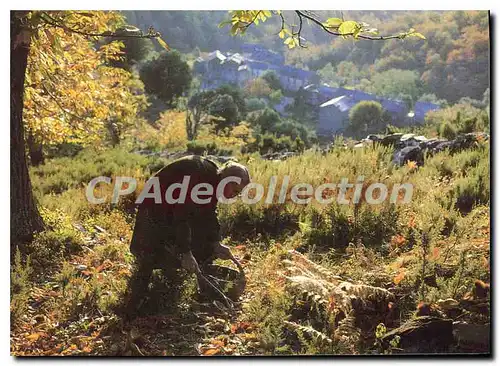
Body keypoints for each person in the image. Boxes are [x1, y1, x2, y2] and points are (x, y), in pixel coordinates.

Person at [126, 155, 251, 313]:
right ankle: (136, 303)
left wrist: (215, 242)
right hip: (155, 204)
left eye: (239, 193)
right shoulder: (199, 176)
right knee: (149, 253)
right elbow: (181, 215)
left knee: (201, 244)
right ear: (228, 180)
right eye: (236, 190)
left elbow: (209, 213)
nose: (235, 195)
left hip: (173, 208)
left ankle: (174, 274)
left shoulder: (214, 180)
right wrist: (185, 252)